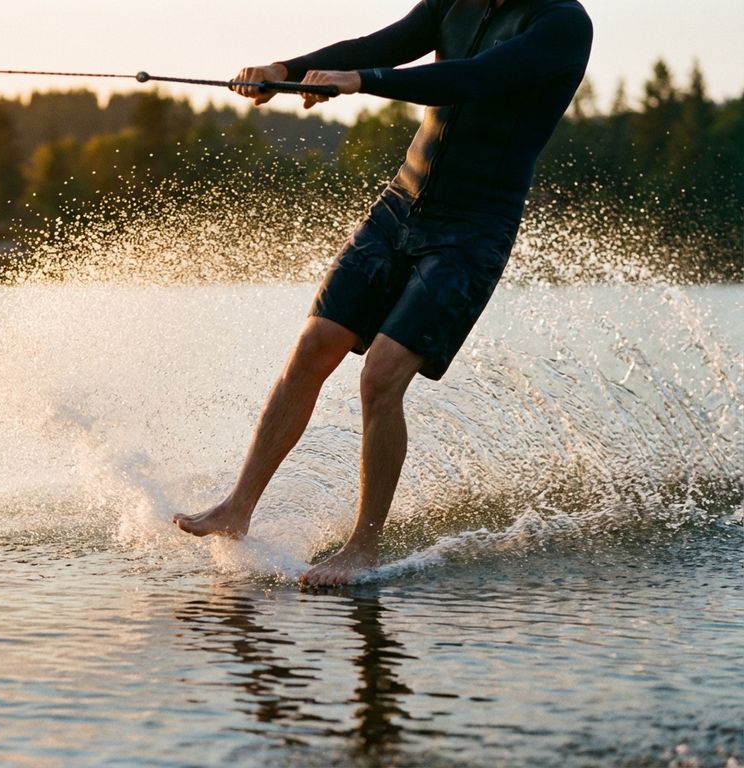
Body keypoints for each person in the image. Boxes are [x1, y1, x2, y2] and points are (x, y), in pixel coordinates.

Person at [172, 0, 593, 586]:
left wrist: (361, 82)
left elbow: (472, 78)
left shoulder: (561, 24)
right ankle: (236, 508)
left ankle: (362, 547)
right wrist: (285, 71)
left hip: (471, 233)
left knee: (382, 375)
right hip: (400, 208)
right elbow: (379, 46)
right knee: (313, 346)